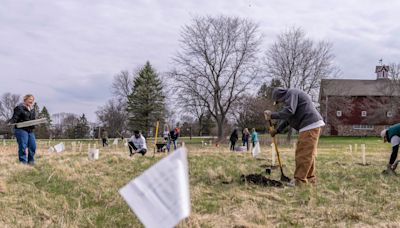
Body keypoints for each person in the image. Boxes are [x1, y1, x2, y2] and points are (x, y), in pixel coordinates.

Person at [264, 87, 325, 186]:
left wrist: (272, 115)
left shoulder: (292, 93)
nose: (280, 103)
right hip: (310, 125)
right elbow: (289, 118)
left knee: (303, 154)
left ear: (280, 96)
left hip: (309, 125)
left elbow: (289, 111)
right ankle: (310, 179)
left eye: (278, 101)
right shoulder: (292, 98)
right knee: (308, 154)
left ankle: (299, 181)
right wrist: (277, 130)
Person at [8, 94, 37, 165]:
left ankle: (31, 162)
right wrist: (11, 122)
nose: (31, 101)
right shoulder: (19, 108)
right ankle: (23, 162)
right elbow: (15, 117)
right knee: (23, 146)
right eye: (30, 99)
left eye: (32, 100)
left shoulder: (32, 109)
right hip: (21, 129)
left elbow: (33, 119)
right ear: (25, 100)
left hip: (30, 130)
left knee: (33, 146)